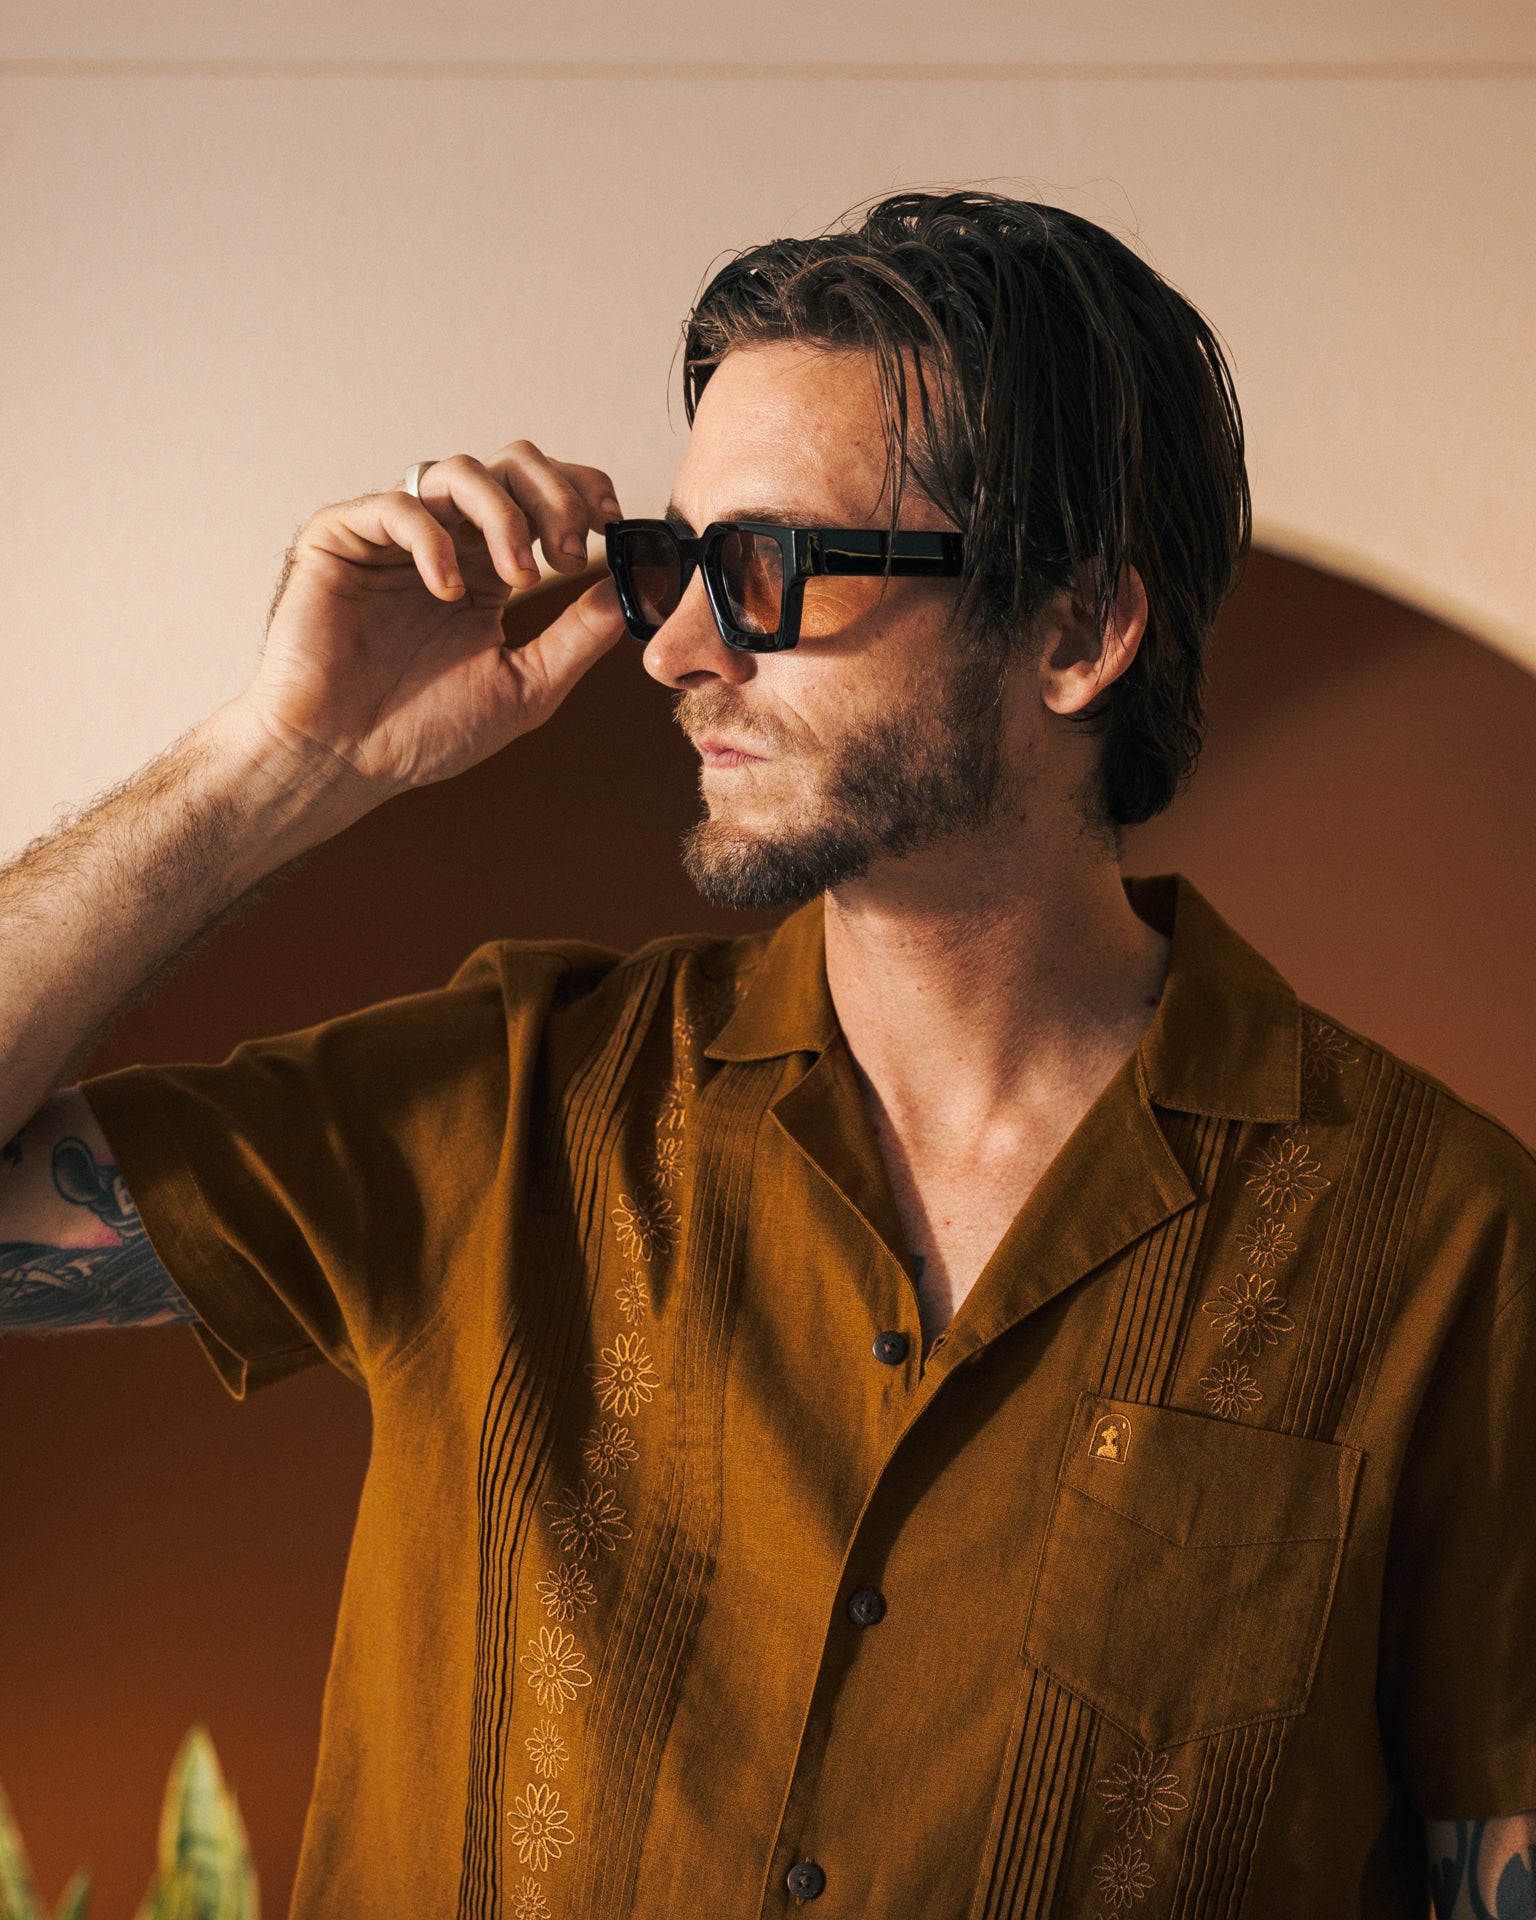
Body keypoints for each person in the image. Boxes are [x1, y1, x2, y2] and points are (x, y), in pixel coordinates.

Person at [0, 190, 1531, 1920]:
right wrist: (273, 764)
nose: (673, 648)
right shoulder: (507, 1107)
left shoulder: (1446, 1246)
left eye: (768, 574)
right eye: (675, 561)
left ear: (1074, 632)